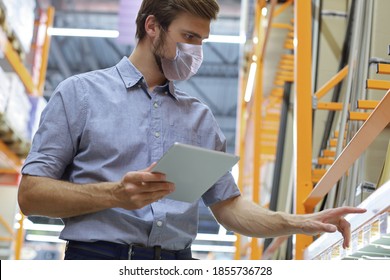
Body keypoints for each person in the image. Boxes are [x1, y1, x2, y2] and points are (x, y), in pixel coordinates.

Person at [18, 0, 365, 260]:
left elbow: (230, 207)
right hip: (97, 260)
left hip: (178, 262)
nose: (195, 50)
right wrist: (115, 195)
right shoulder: (80, 95)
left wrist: (301, 222)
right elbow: (30, 195)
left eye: (201, 40)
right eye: (188, 36)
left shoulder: (199, 118)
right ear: (152, 26)